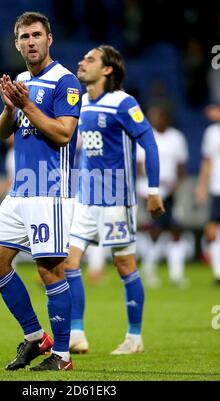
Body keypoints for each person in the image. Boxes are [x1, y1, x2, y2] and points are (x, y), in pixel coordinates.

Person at [0, 11, 82, 371]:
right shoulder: (21, 80)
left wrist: (26, 104)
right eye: (24, 37)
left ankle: (63, 356)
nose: (31, 42)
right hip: (20, 191)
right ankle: (37, 338)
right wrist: (10, 109)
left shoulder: (65, 82)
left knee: (49, 270)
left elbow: (63, 133)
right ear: (17, 43)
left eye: (37, 35)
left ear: (49, 39)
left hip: (50, 190)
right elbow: (0, 132)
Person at [63, 45, 165, 354]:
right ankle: (77, 333)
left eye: (90, 59)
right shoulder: (81, 103)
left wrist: (154, 190)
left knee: (124, 266)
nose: (82, 62)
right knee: (69, 261)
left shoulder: (123, 103)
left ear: (107, 70)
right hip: (86, 199)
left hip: (116, 202)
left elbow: (150, 143)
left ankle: (134, 338)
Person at [137, 105, 190, 288]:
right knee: (154, 231)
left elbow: (182, 166)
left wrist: (176, 184)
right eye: (155, 116)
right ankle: (149, 270)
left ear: (167, 118)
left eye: (161, 116)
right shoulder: (144, 136)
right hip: (149, 191)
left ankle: (176, 274)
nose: (158, 119)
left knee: (175, 230)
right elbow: (138, 166)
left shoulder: (176, 138)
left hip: (171, 191)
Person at [195, 104, 220, 285]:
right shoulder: (212, 132)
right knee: (212, 231)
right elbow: (207, 161)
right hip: (217, 187)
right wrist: (202, 186)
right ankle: (218, 272)